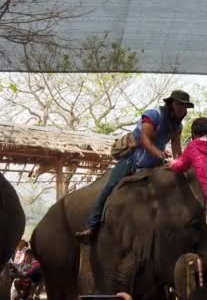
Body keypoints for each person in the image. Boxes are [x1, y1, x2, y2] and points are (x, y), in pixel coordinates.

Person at [76, 90, 193, 241]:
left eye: (184, 106)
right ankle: (92, 226)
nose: (181, 109)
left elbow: (177, 149)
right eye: (178, 104)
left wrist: (180, 164)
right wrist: (160, 155)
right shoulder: (153, 114)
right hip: (132, 159)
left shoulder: (178, 126)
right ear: (170, 103)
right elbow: (145, 139)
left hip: (154, 163)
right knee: (110, 186)